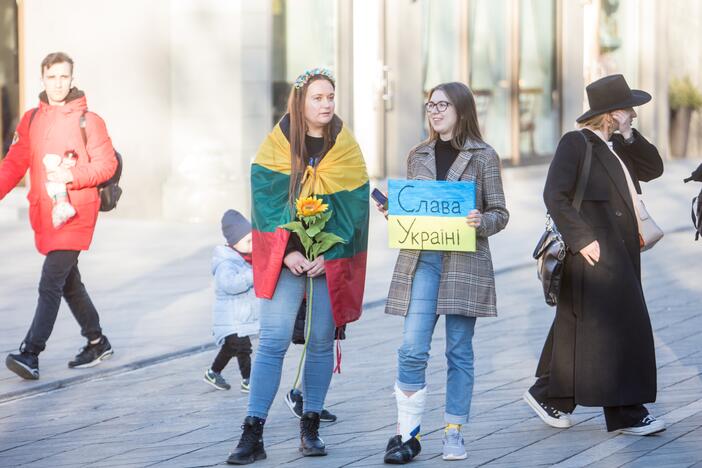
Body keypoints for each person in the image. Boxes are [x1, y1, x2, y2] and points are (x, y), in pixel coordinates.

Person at [226, 68, 369, 465]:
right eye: (317, 98)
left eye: (330, 97)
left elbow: (354, 208)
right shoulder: (277, 145)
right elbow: (266, 200)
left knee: (322, 341)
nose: (325, 105)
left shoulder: (346, 149)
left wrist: (330, 253)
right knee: (272, 342)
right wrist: (287, 251)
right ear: (300, 103)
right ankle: (252, 433)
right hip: (287, 258)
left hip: (327, 260)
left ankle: (311, 426)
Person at [523, 74, 665, 436]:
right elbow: (554, 194)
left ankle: (549, 395)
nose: (633, 115)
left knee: (584, 330)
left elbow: (654, 169)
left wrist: (629, 136)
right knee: (621, 329)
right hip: (592, 252)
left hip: (620, 250)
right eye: (629, 110)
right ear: (612, 113)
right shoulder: (576, 143)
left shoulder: (618, 144)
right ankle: (627, 413)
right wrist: (582, 238)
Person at [377, 82, 509, 463]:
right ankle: (406, 434)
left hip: (465, 262)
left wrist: (480, 219)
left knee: (458, 350)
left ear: (462, 110)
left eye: (442, 105)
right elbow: (414, 209)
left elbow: (500, 212)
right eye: (430, 105)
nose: (434, 112)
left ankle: (454, 431)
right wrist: (395, 213)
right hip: (423, 260)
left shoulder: (484, 156)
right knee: (412, 347)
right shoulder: (417, 154)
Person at [0, 52, 118, 380]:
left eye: (64, 77)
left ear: (72, 77)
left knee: (50, 281)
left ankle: (30, 353)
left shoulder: (89, 121)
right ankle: (97, 341)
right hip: (46, 213)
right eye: (52, 77)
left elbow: (106, 165)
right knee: (69, 282)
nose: (58, 83)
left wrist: (71, 176)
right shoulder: (31, 120)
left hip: (76, 213)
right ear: (42, 78)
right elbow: (14, 163)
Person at [203, 209, 259, 393]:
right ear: (234, 241)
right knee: (243, 348)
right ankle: (248, 380)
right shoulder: (226, 263)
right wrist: (253, 275)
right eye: (248, 241)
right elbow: (230, 285)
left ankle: (213, 372)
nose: (252, 244)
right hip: (231, 319)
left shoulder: (243, 258)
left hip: (238, 317)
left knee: (230, 348)